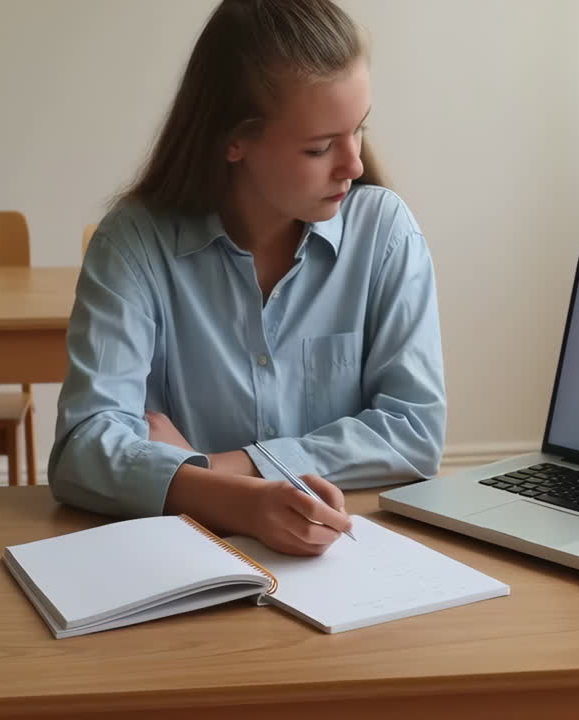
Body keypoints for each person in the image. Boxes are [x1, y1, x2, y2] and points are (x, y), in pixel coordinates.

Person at [50, 0, 445, 556]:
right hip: (175, 566)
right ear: (234, 140)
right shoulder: (134, 243)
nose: (353, 165)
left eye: (359, 130)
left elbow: (415, 432)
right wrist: (240, 504)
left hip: (349, 565)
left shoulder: (385, 233)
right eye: (319, 147)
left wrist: (219, 469)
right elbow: (82, 451)